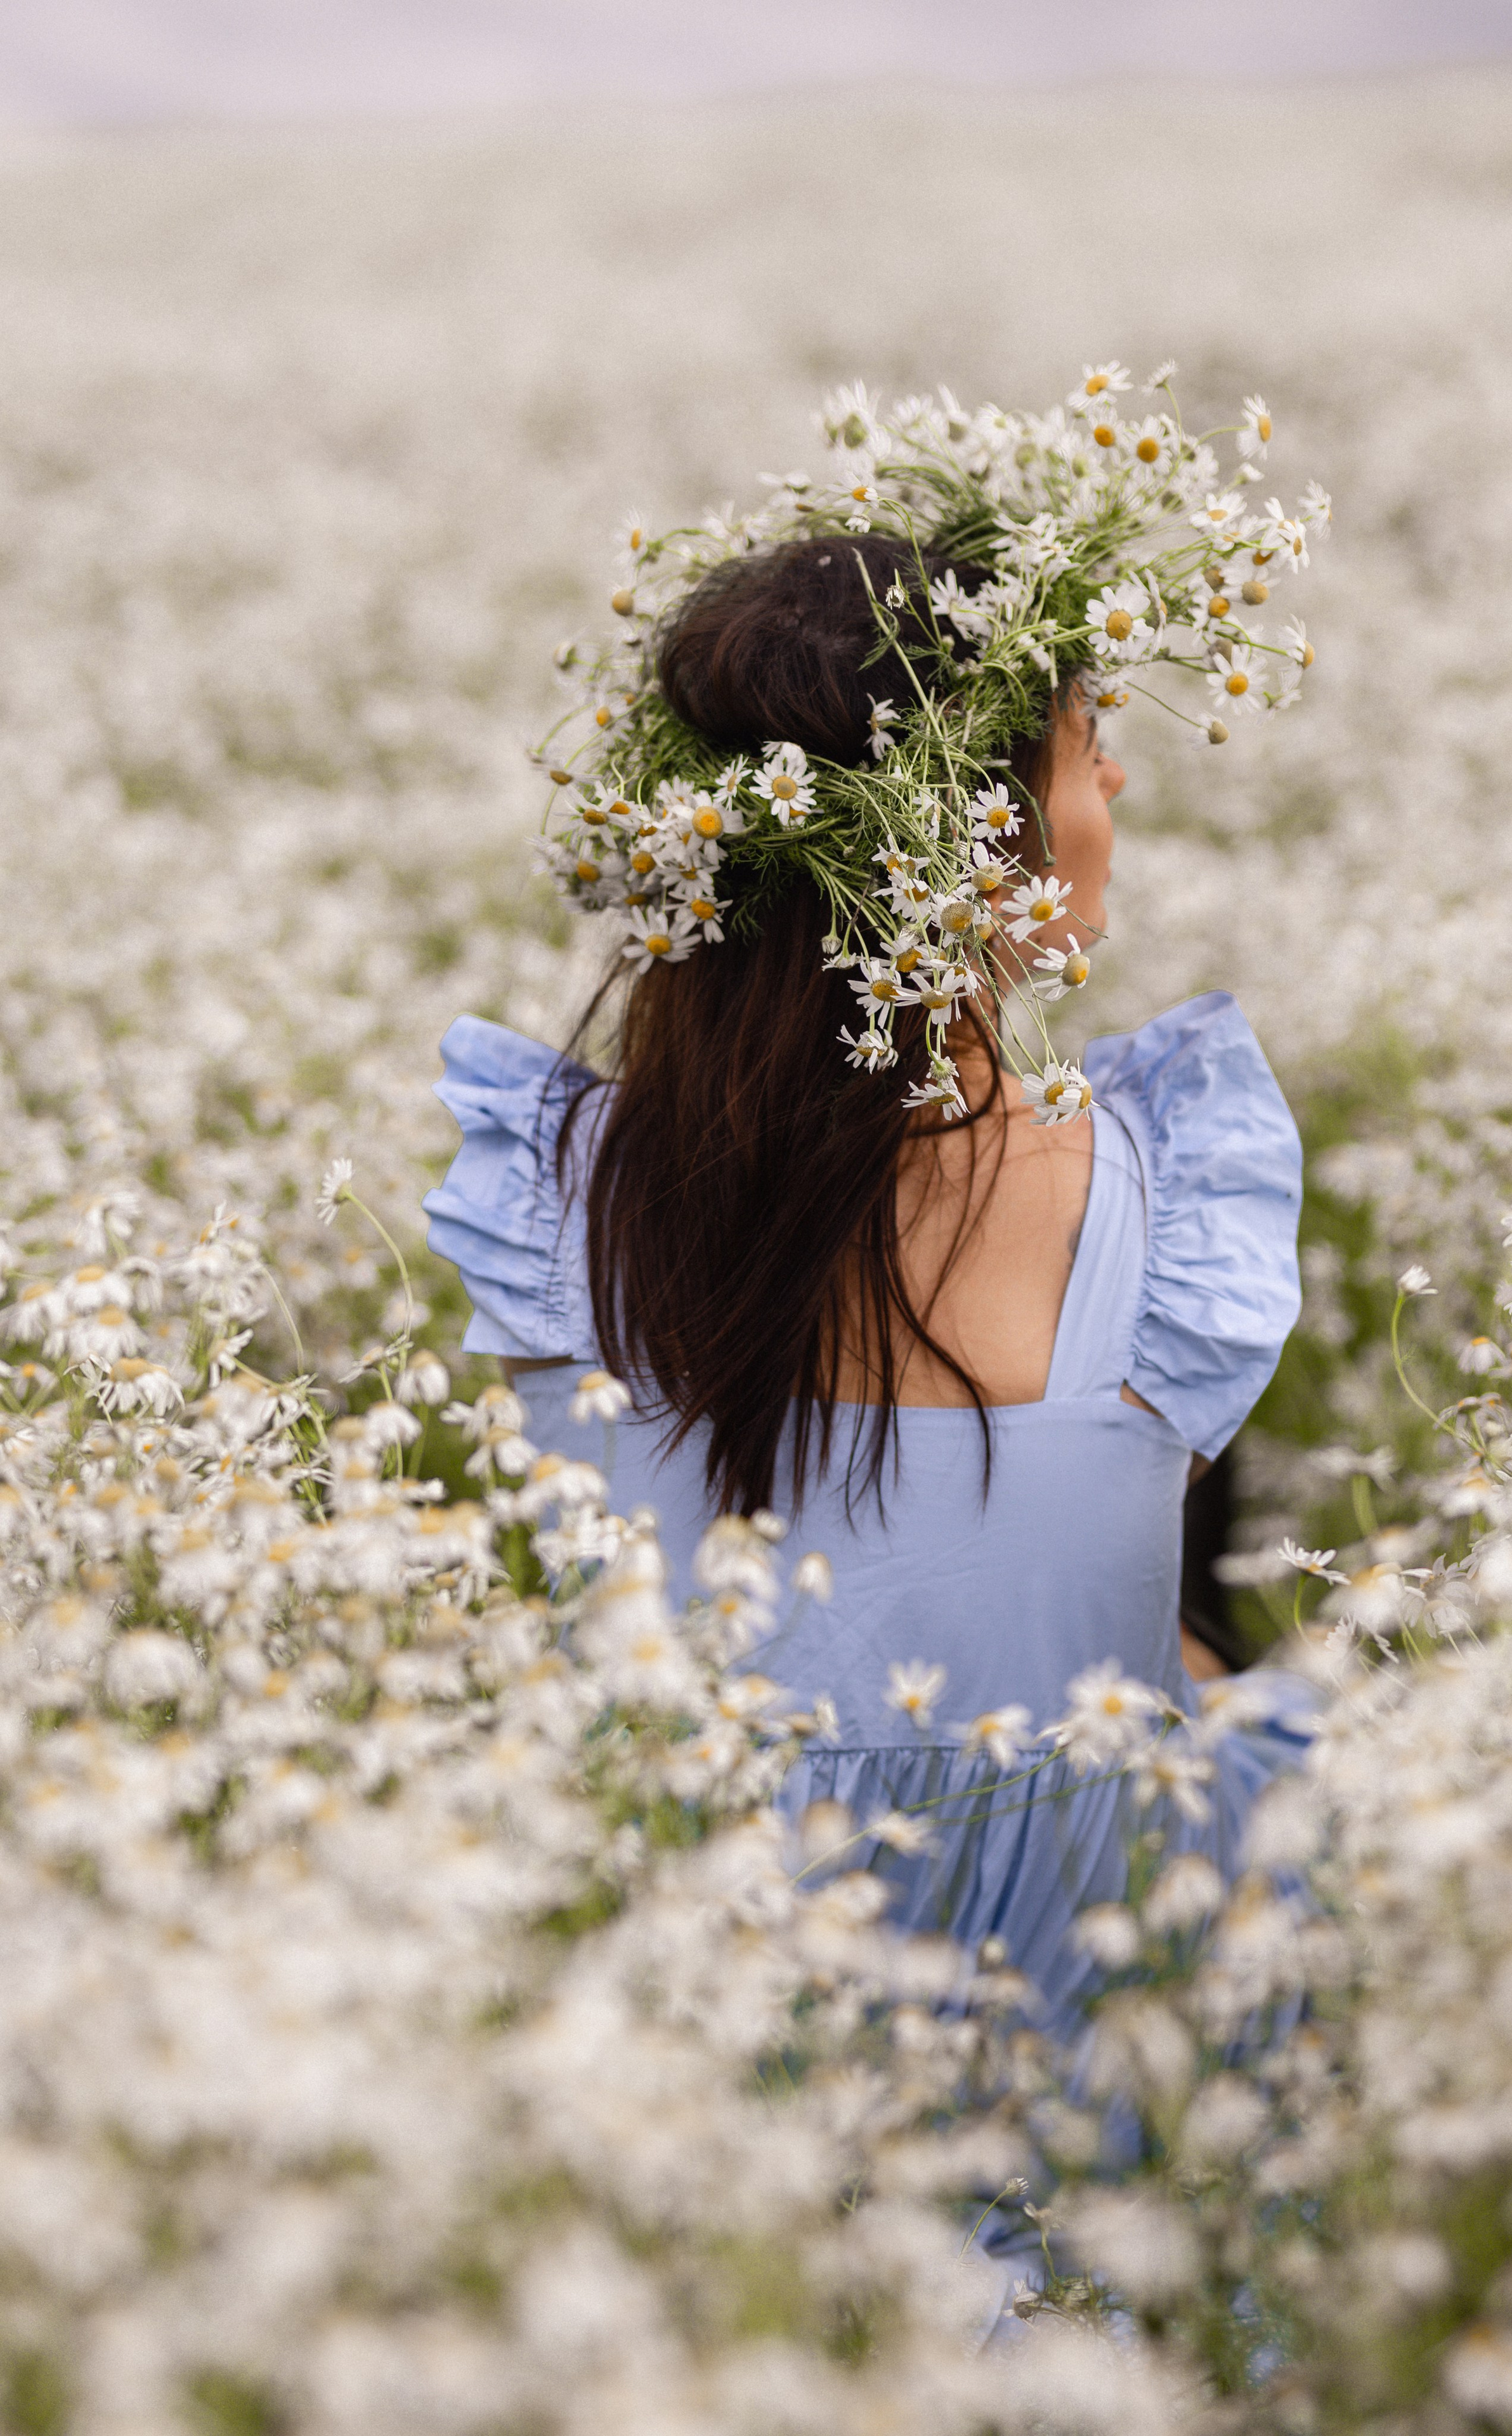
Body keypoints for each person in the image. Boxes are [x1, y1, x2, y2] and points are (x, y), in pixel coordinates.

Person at [425, 531, 1317, 2028]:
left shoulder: (563, 1203)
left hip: (697, 2059)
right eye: (1086, 749)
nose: (1113, 790)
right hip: (1100, 2060)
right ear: (961, 846)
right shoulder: (1160, 1193)